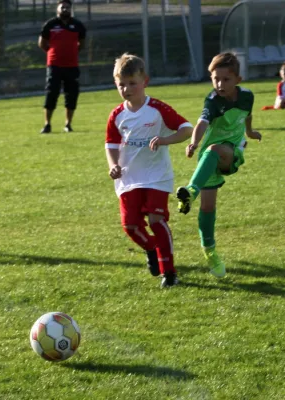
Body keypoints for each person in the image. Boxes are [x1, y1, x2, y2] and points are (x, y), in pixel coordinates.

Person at [105, 53, 193, 288]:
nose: (126, 89)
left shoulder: (156, 108)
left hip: (156, 176)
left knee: (156, 220)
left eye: (132, 83)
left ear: (145, 81)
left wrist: (165, 140)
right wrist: (113, 165)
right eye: (121, 84)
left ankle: (169, 272)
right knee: (131, 225)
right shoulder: (117, 115)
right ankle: (152, 248)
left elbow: (186, 129)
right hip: (129, 177)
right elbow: (111, 145)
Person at [176, 52, 262, 278]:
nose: (220, 84)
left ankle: (191, 191)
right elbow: (202, 123)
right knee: (207, 208)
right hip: (208, 160)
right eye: (215, 79)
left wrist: (250, 133)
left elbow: (248, 116)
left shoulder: (247, 96)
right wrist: (194, 143)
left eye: (225, 79)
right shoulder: (212, 100)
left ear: (238, 80)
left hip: (232, 153)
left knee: (214, 149)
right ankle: (210, 251)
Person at [38, 0, 86, 134]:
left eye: (67, 7)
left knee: (71, 94)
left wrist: (72, 53)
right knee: (51, 93)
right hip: (54, 66)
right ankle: (47, 124)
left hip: (72, 66)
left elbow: (81, 44)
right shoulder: (50, 25)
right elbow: (42, 43)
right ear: (58, 9)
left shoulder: (77, 25)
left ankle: (68, 124)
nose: (65, 9)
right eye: (63, 7)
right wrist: (53, 53)